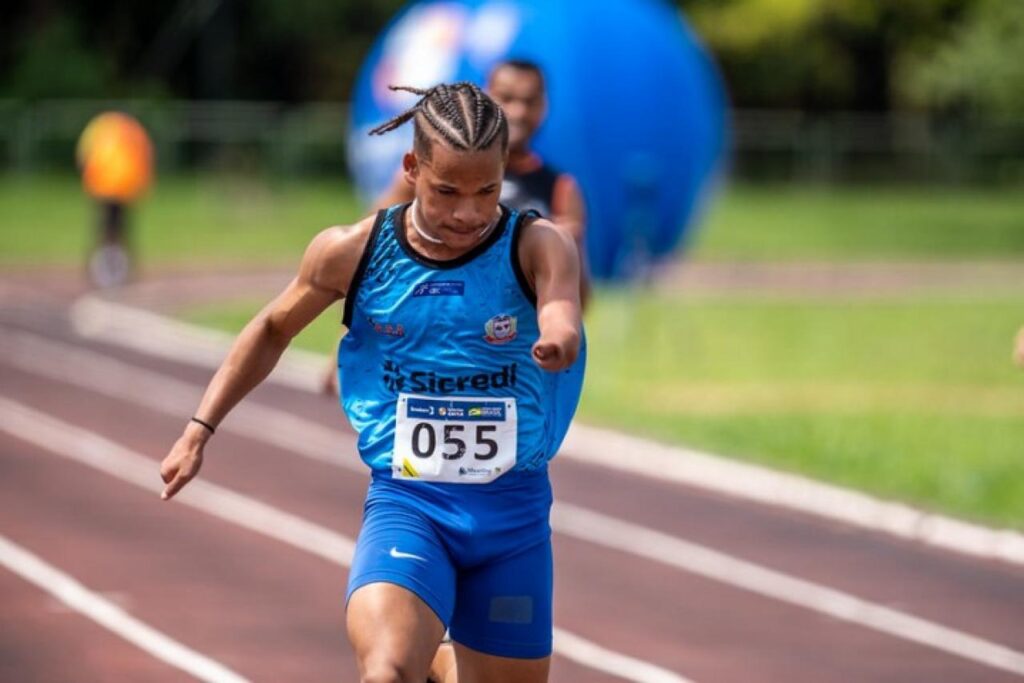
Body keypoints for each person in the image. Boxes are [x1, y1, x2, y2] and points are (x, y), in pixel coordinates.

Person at [159, 82, 585, 683]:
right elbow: (272, 328)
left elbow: (562, 309)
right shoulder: (353, 251)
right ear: (412, 168)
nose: (467, 211)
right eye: (447, 191)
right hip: (410, 504)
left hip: (512, 520)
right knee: (385, 671)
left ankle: (444, 659)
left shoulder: (536, 244)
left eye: (486, 191)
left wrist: (557, 341)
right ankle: (424, 656)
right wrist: (199, 429)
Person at [323, 58, 588, 396]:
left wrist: (561, 316)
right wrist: (341, 350)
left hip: (508, 364)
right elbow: (370, 262)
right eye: (508, 98)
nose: (519, 111)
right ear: (488, 96)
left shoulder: (560, 189)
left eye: (530, 101)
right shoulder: (429, 172)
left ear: (545, 105)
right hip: (426, 356)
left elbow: (578, 295)